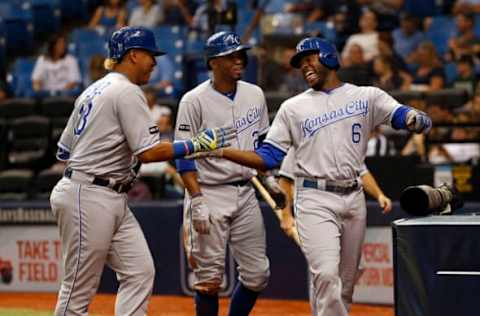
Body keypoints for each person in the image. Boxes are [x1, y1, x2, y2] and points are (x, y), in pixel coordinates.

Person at [193, 37, 432, 315]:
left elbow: (399, 114)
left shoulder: (366, 96)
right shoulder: (293, 107)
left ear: (330, 56)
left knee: (344, 285)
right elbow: (268, 157)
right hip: (314, 197)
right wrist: (223, 151)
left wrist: (414, 118)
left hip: (353, 198)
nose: (304, 65)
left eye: (310, 58)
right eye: (300, 63)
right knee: (327, 276)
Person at [49, 26, 235, 316]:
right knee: (77, 290)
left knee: (139, 271)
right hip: (89, 194)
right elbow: (148, 152)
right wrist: (194, 144)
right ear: (133, 55)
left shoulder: (93, 89)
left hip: (106, 192)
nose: (155, 62)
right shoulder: (126, 90)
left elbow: (64, 150)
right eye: (150, 55)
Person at [174, 31, 271, 316]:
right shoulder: (193, 100)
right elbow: (183, 156)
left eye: (240, 55)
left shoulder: (255, 94)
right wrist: (197, 199)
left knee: (257, 274)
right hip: (209, 190)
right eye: (231, 56)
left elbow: (263, 144)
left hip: (247, 188)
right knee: (209, 281)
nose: (239, 60)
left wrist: (270, 177)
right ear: (213, 62)